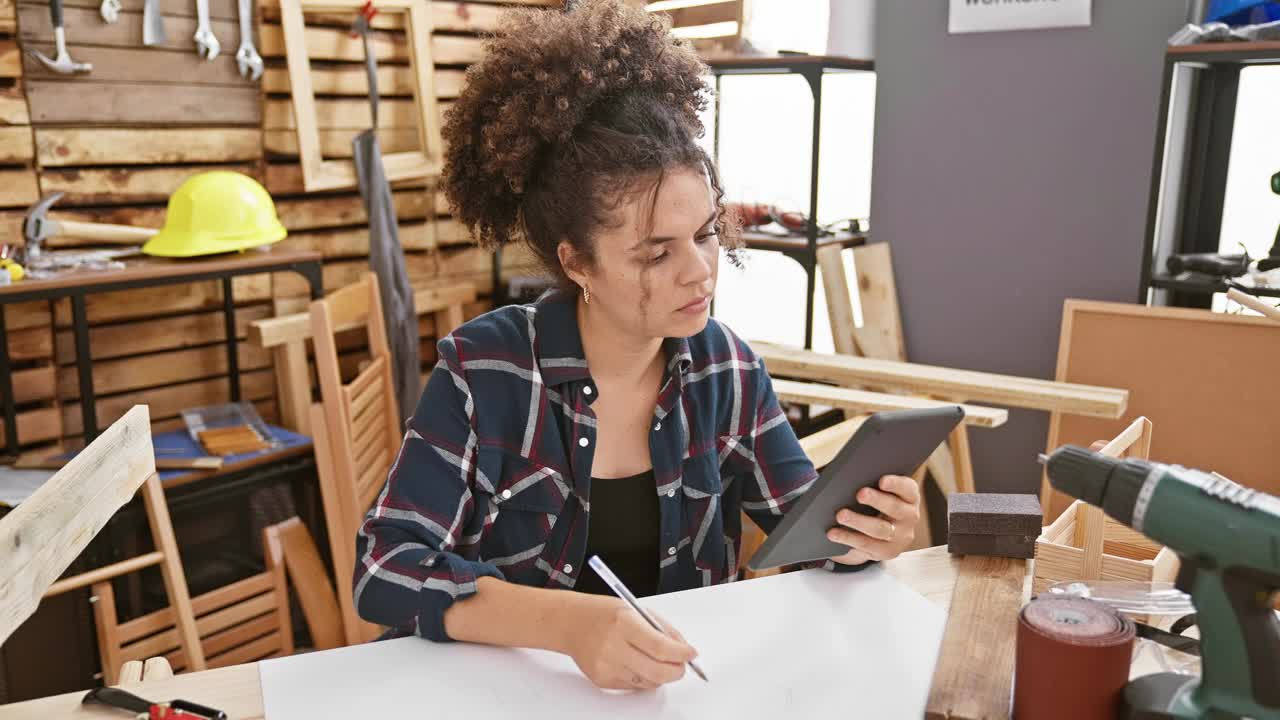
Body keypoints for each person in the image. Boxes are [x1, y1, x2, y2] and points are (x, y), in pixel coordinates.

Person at [352, 0, 922, 691]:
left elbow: (811, 537)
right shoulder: (486, 372)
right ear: (577, 264)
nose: (701, 271)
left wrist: (867, 537)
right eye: (657, 254)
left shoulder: (728, 370)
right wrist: (569, 626)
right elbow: (385, 570)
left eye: (706, 233)